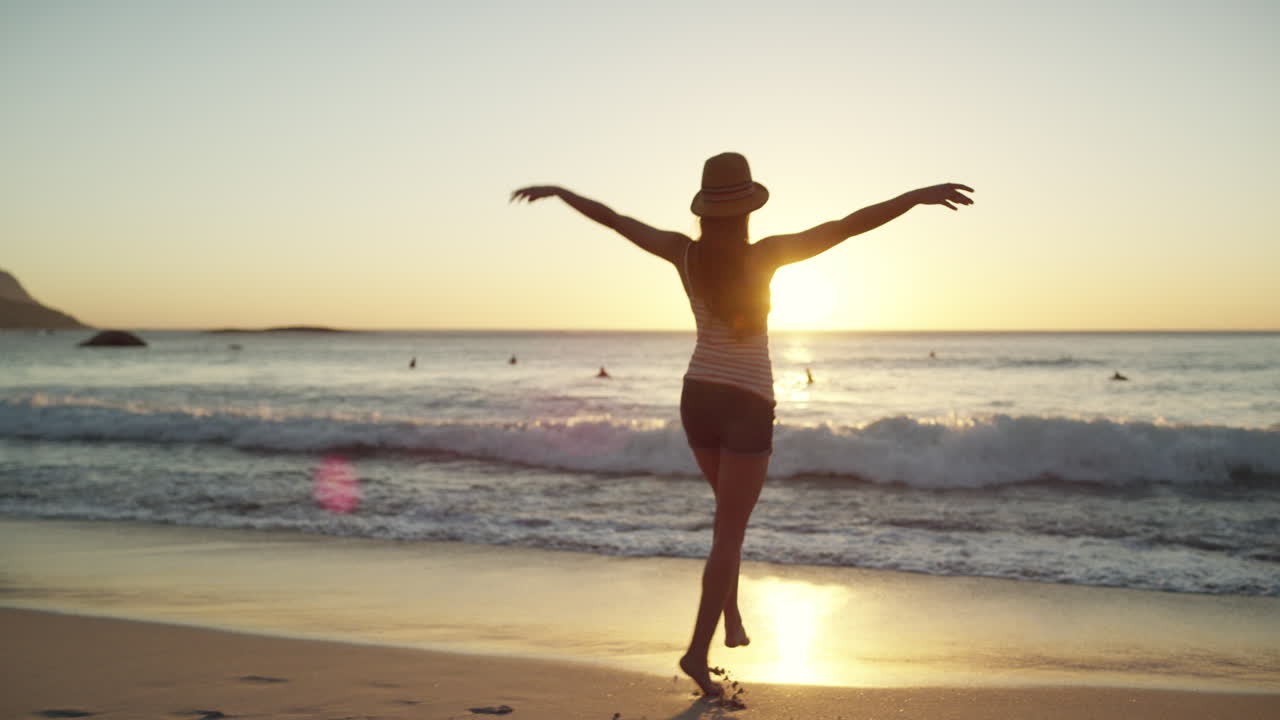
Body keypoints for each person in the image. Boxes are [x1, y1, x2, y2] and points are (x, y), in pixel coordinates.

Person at [511, 152, 973, 696]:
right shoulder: (768, 256)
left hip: (697, 398)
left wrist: (560, 191)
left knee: (726, 527)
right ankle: (695, 656)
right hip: (747, 403)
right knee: (728, 535)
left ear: (705, 210)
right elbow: (847, 227)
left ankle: (730, 618)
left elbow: (616, 220)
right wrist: (915, 196)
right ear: (747, 207)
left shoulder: (682, 254)